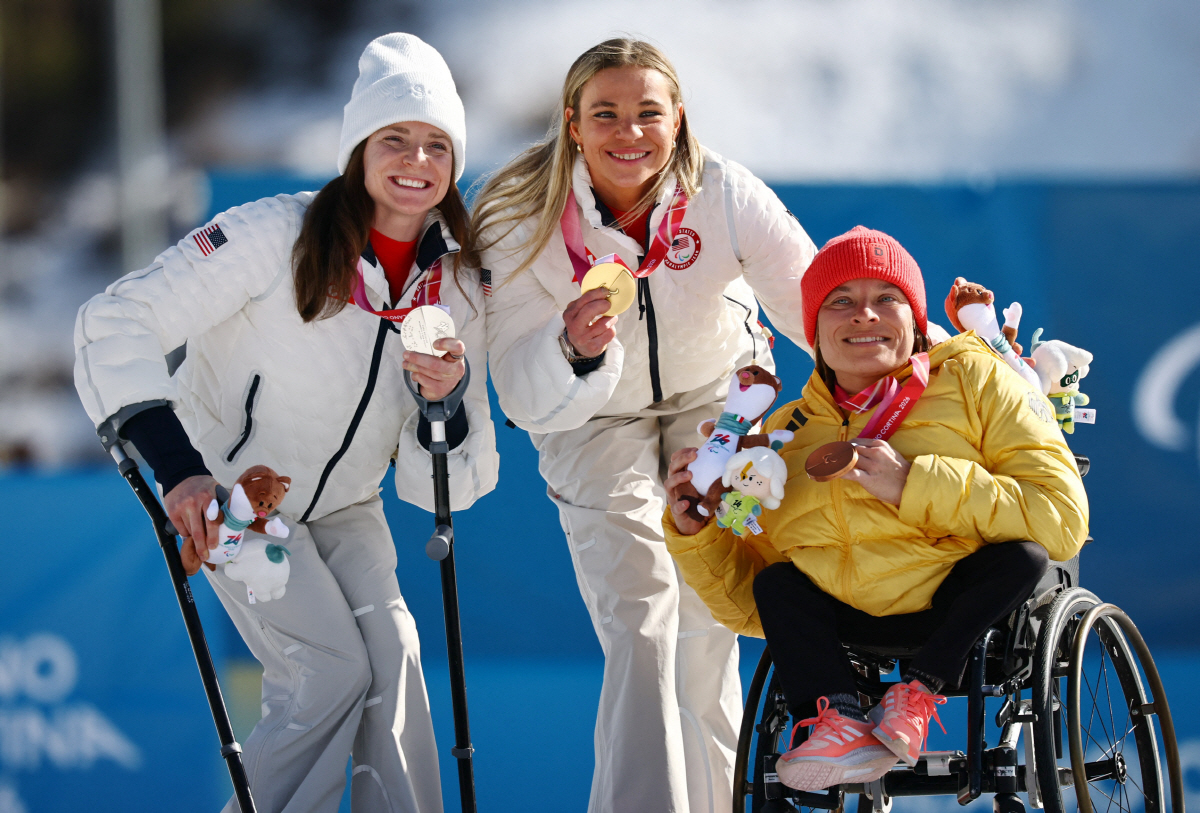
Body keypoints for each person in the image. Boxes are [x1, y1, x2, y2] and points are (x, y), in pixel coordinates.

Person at [73, 33, 497, 813]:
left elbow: (442, 481)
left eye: (438, 143)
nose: (417, 159)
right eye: (395, 137)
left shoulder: (458, 285)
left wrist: (444, 400)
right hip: (235, 500)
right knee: (327, 670)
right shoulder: (273, 234)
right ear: (358, 149)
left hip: (347, 506)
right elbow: (115, 321)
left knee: (395, 658)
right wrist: (180, 470)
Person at [472, 38, 817, 813]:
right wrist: (569, 347)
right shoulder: (519, 214)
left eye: (647, 113)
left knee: (706, 626)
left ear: (678, 118)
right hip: (589, 414)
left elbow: (818, 304)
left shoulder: (723, 193)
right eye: (606, 114)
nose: (628, 132)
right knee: (641, 614)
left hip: (713, 405)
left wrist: (929, 363)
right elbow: (522, 393)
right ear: (572, 124)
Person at [664, 226, 1089, 791]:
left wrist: (914, 482)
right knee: (778, 586)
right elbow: (750, 605)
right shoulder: (785, 434)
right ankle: (837, 720)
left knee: (1025, 557)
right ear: (815, 331)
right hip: (848, 623)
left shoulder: (978, 380)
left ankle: (918, 693)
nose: (864, 314)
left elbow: (1061, 517)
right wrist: (698, 530)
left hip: (962, 608)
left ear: (915, 319)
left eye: (886, 297)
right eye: (840, 301)